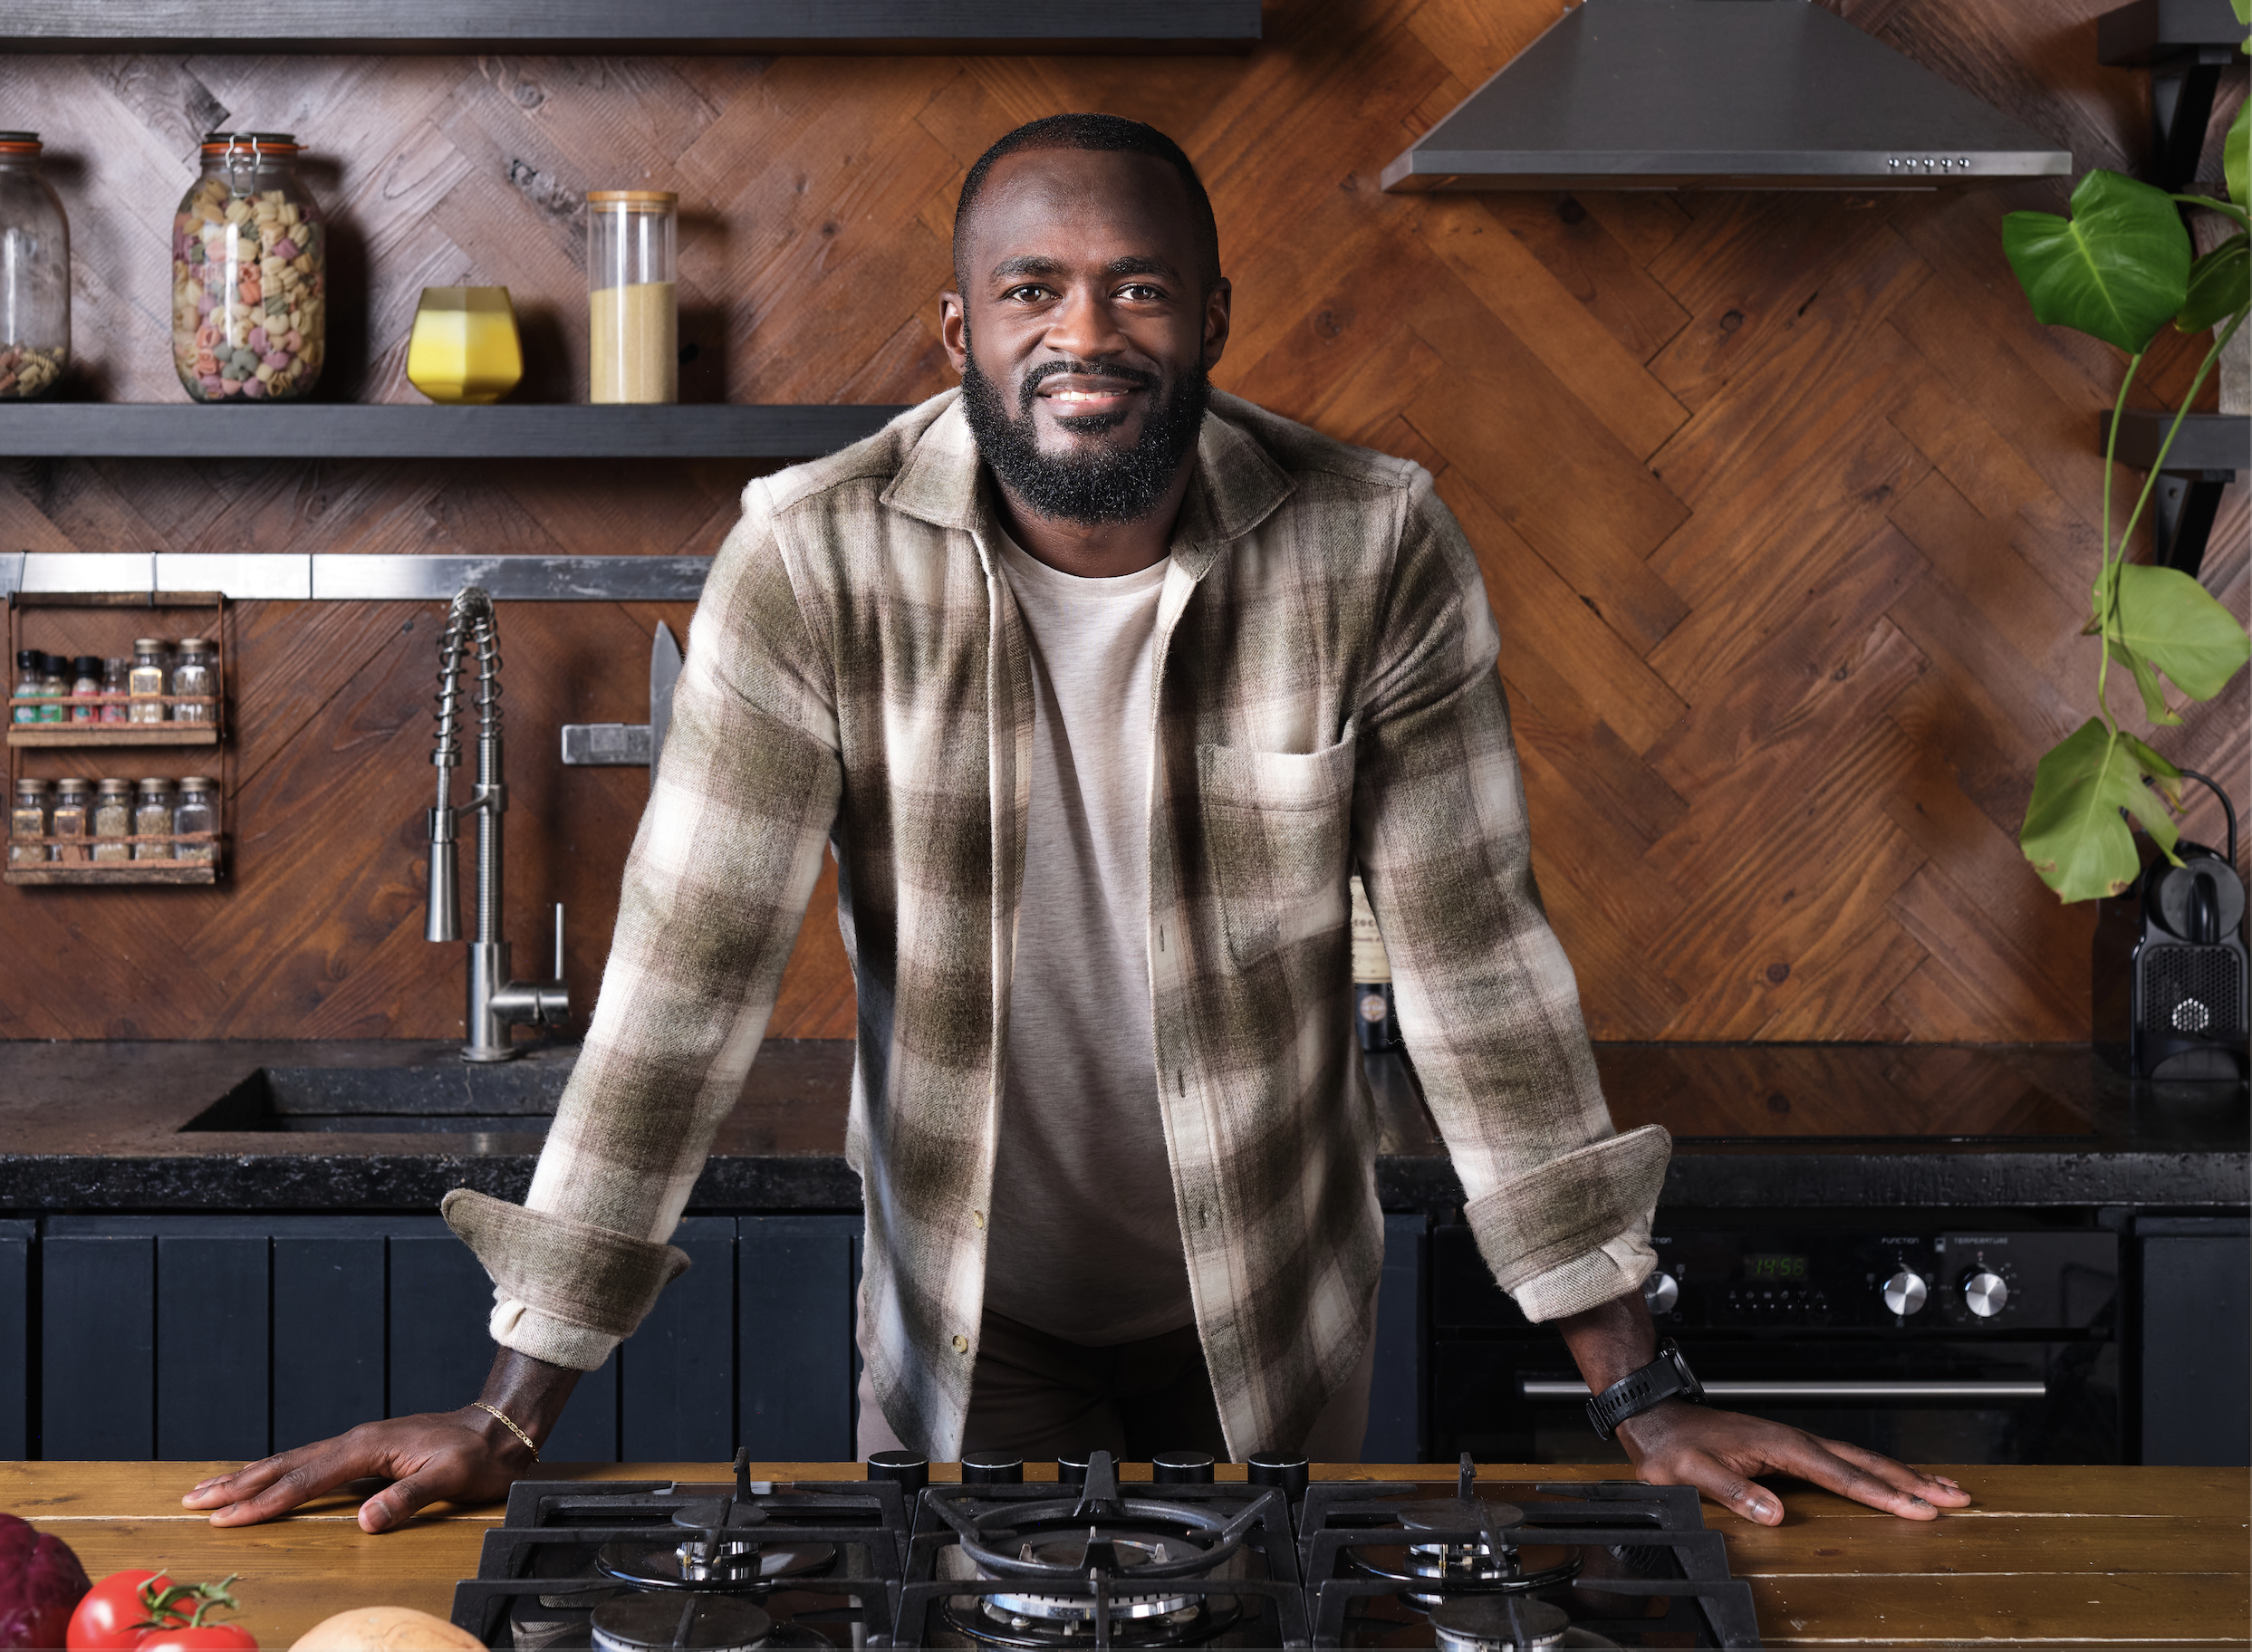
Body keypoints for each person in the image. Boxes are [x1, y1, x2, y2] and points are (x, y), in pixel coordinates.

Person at [184, 114, 1968, 1533]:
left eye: (1135, 291)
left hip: (1269, 1313)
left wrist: (1642, 1394)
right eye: (1032, 292)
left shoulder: (1371, 545)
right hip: (968, 1323)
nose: (1084, 334)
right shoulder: (811, 556)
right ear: (960, 332)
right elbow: (683, 989)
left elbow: (1473, 968)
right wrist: (510, 1414)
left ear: (1210, 316)